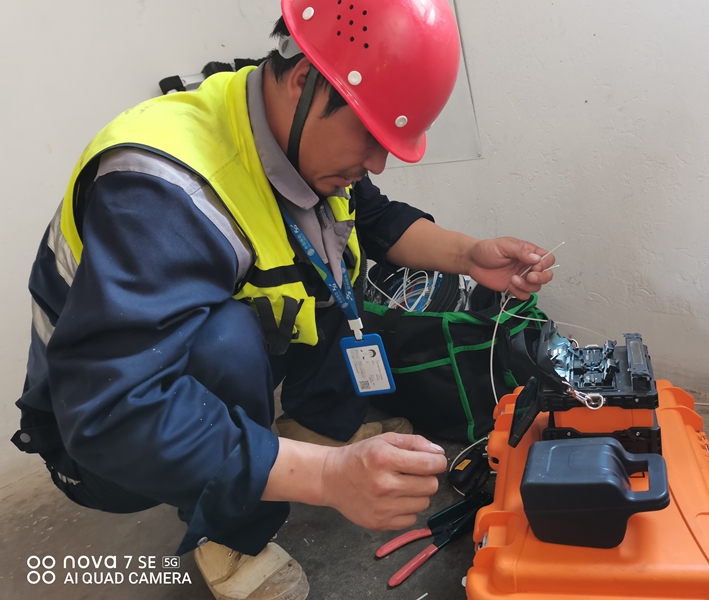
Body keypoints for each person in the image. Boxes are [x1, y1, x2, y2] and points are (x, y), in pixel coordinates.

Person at [12, 1, 556, 598]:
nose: (378, 162)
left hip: (140, 395)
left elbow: (374, 220)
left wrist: (469, 255)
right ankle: (230, 534)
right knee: (227, 339)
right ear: (303, 80)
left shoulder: (286, 129)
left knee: (321, 263)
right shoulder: (159, 193)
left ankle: (312, 429)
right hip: (95, 439)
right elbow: (112, 412)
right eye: (371, 134)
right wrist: (327, 479)